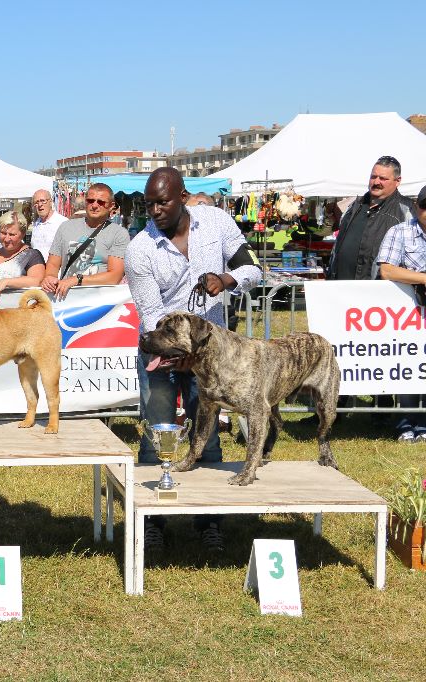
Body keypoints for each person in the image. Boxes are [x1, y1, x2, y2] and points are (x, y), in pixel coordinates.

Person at [124, 167, 260, 552]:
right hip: (162, 353)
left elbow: (251, 265)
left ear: (183, 197)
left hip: (211, 355)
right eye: (149, 204)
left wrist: (226, 279)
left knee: (208, 435)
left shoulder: (217, 222)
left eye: (162, 202)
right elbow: (151, 315)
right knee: (157, 435)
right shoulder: (140, 249)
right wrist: (175, 355)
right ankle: (152, 522)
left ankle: (209, 522)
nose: (154, 210)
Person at [376, 185, 426, 442]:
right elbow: (387, 270)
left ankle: (424, 424)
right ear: (417, 207)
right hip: (406, 313)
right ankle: (407, 423)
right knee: (407, 365)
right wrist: (423, 279)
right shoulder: (400, 231)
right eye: (425, 206)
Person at [327, 155, 415, 281]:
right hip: (341, 289)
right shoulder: (355, 205)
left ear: (398, 180)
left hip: (377, 294)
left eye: (383, 178)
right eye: (373, 176)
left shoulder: (406, 210)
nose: (376, 182)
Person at [42, 183, 129, 301]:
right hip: (64, 300)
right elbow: (53, 263)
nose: (94, 205)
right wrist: (49, 277)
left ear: (111, 206)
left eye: (101, 202)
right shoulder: (66, 227)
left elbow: (114, 276)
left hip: (99, 304)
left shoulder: (119, 233)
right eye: (90, 200)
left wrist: (77, 279)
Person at [0, 210, 45, 293]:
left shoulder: (32, 255)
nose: (7, 239)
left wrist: (7, 282)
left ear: (23, 234)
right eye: (3, 233)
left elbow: (37, 281)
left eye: (12, 234)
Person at [27, 189, 67, 260]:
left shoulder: (63, 223)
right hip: (38, 269)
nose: (40, 205)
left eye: (43, 201)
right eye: (36, 202)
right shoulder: (36, 224)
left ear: (50, 202)